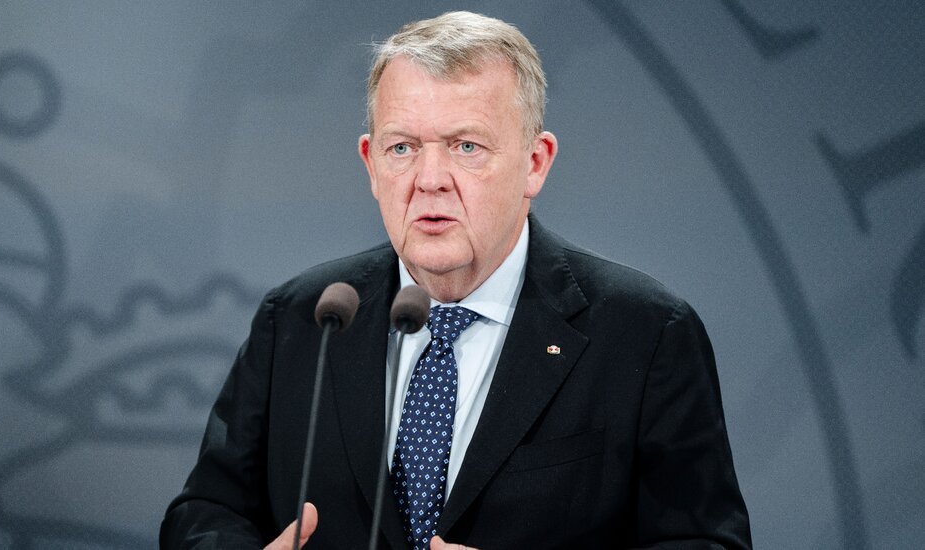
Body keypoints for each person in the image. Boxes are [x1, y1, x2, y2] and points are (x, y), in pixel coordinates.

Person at [161, 11, 750, 549]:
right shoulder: (303, 318)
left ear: (535, 163)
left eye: (466, 146)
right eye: (402, 148)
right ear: (370, 163)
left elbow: (706, 544)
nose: (430, 179)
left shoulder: (645, 333)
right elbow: (205, 512)